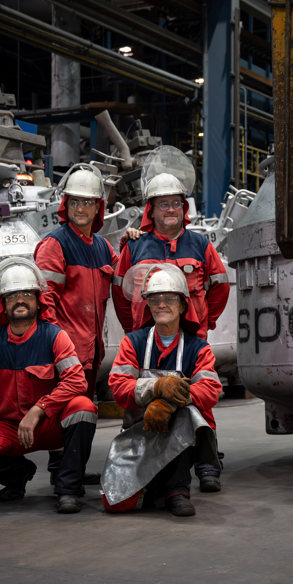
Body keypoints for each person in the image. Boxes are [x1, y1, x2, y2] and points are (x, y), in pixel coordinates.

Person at [112, 146, 229, 493]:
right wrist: (135, 329)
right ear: (151, 209)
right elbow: (121, 294)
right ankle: (144, 461)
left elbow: (219, 288)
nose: (170, 209)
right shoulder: (135, 247)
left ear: (184, 207)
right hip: (145, 342)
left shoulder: (201, 245)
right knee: (139, 404)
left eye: (176, 203)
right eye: (162, 204)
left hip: (190, 338)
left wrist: (201, 322)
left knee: (199, 399)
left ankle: (207, 463)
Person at [0, 257, 98, 514]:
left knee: (83, 407)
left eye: (26, 293)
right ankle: (17, 475)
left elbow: (76, 380)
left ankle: (68, 488)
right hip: (8, 430)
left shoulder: (55, 337)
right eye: (12, 295)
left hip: (47, 424)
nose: (20, 300)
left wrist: (39, 409)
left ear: (37, 299)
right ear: (4, 303)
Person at [103, 265, 223, 516]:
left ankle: (178, 491)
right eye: (155, 300)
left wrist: (169, 403)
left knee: (184, 414)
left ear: (182, 305)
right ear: (147, 305)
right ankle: (157, 488)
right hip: (139, 429)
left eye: (169, 299)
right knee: (116, 502)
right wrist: (157, 387)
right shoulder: (133, 343)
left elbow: (210, 389)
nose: (161, 305)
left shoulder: (198, 348)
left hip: (182, 434)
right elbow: (118, 387)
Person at [34, 164, 116, 486]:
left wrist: (135, 239)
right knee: (69, 410)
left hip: (92, 350)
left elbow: (122, 275)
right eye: (75, 202)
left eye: (88, 203)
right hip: (66, 350)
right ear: (65, 205)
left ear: (98, 207)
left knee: (84, 410)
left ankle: (72, 471)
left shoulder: (102, 247)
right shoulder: (55, 245)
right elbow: (45, 301)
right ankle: (64, 474)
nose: (81, 209)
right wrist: (59, 346)